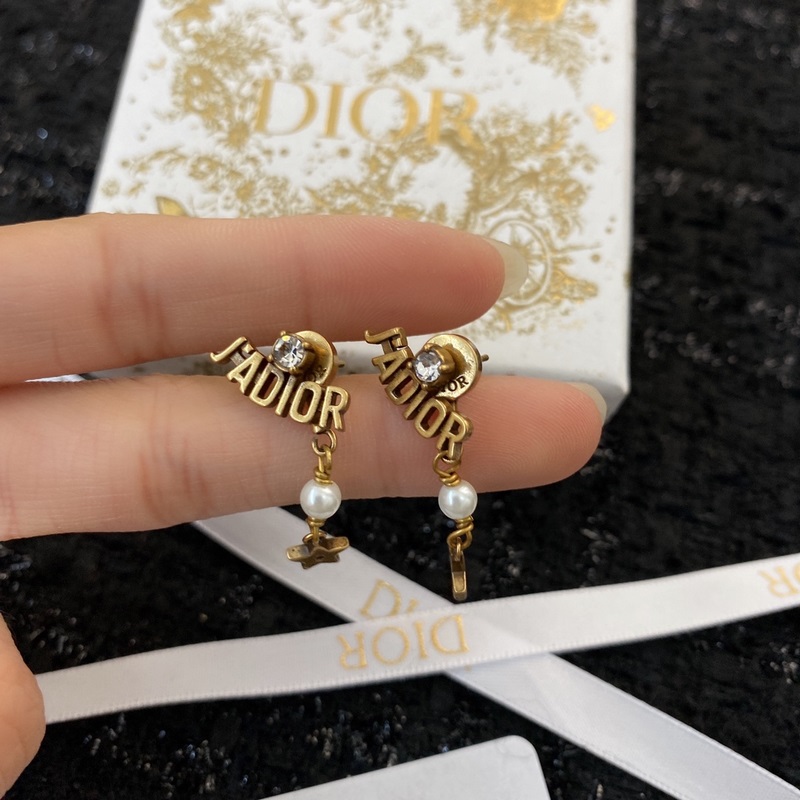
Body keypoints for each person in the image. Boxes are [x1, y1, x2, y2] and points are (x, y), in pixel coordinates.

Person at [0, 212, 605, 794]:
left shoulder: (406, 399)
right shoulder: (317, 389)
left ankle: (395, 550)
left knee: (441, 504)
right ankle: (354, 543)